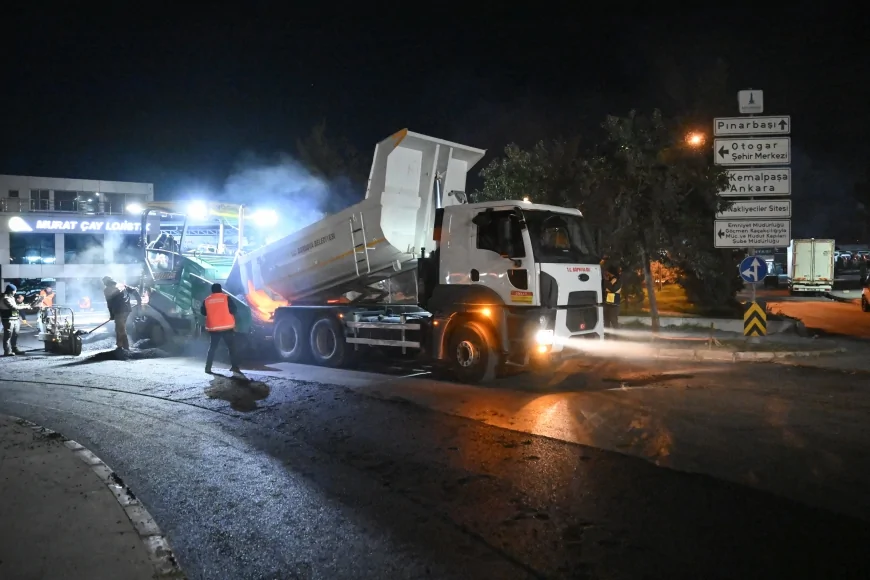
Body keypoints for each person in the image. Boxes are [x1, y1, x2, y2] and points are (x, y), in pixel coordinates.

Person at [201, 283, 243, 377]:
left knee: (212, 348)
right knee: (231, 348)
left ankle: (208, 367)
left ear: (212, 290)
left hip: (214, 328)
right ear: (221, 289)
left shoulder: (207, 300)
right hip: (227, 327)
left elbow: (203, 312)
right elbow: (234, 310)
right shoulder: (226, 298)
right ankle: (235, 367)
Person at [102, 276, 135, 350]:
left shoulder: (107, 290)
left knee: (120, 328)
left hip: (119, 310)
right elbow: (133, 291)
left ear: (106, 282)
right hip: (126, 309)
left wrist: (111, 315)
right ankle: (120, 344)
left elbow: (109, 303)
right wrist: (139, 301)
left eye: (104, 282)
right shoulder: (120, 285)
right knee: (119, 327)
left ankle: (124, 346)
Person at [1, 284, 28, 356]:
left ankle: (14, 348)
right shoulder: (5, 298)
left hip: (15, 318)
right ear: (11, 291)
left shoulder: (11, 297)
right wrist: (25, 306)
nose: (15, 292)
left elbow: (16, 306)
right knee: (8, 336)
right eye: (14, 291)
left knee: (15, 334)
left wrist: (24, 305)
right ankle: (7, 351)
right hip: (8, 319)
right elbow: (13, 307)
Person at [602, 265, 622, 330]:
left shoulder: (617, 280)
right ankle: (607, 335)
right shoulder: (608, 280)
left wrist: (607, 282)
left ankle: (616, 336)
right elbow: (606, 289)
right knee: (606, 320)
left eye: (607, 271)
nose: (606, 273)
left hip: (614, 304)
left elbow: (612, 289)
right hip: (607, 303)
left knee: (613, 320)